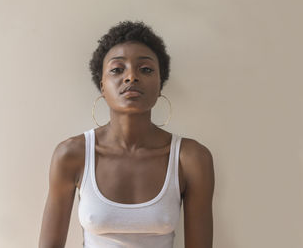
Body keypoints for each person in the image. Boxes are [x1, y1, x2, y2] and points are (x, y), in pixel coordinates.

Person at [38, 20, 215, 248]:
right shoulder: (72, 154)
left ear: (160, 84)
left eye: (146, 69)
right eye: (117, 69)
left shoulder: (191, 158)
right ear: (102, 85)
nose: (131, 77)